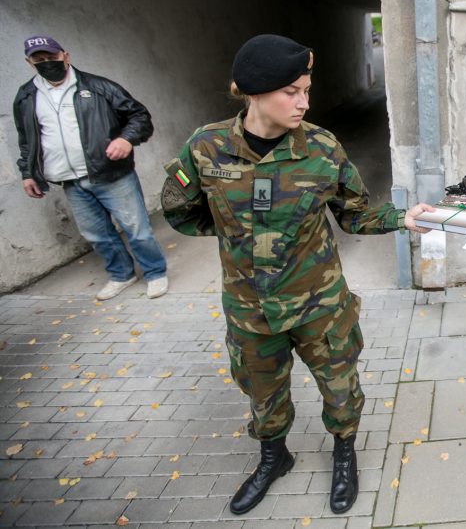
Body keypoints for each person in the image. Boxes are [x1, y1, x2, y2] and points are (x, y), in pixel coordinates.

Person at [160, 34, 433, 515]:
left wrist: (404, 218)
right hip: (250, 310)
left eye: (307, 90)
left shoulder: (322, 148)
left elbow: (353, 215)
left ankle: (344, 453)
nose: (304, 102)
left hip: (319, 305)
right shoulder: (206, 148)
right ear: (252, 91)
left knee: (340, 386)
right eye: (292, 92)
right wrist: (237, 237)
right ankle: (274, 457)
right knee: (262, 393)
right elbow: (181, 211)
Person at [12, 35, 169, 300]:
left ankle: (155, 273)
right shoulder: (26, 97)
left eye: (52, 57)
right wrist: (27, 173)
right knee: (97, 234)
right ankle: (122, 275)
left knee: (137, 228)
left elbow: (139, 116)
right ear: (29, 63)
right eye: (39, 60)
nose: (47, 63)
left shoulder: (99, 87)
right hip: (69, 179)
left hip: (112, 173)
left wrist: (126, 139)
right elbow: (27, 140)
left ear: (66, 56)